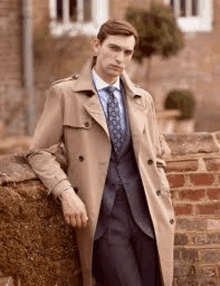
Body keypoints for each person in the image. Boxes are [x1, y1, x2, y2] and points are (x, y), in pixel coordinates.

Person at [27, 19, 175, 286]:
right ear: (97, 45)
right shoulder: (65, 94)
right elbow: (39, 152)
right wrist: (66, 193)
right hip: (104, 219)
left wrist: (163, 191)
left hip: (149, 215)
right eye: (114, 48)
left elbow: (157, 154)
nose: (120, 58)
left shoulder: (143, 99)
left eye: (127, 52)